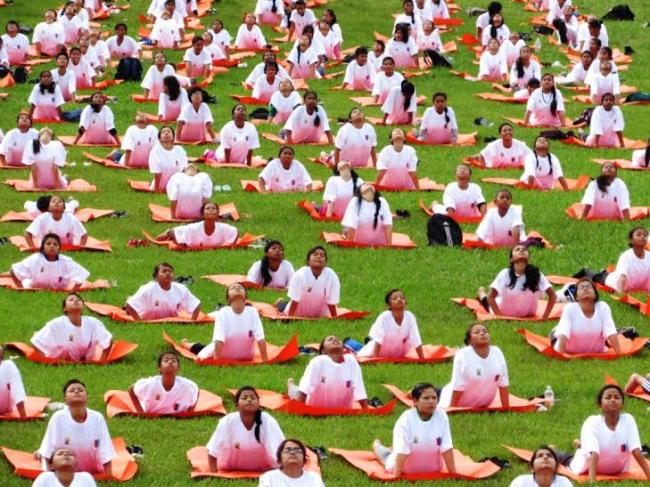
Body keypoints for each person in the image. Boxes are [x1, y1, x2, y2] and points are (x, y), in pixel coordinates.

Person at [569, 385, 650, 481]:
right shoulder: (592, 422)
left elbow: (636, 450)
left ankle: (580, 443)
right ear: (600, 404)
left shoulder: (628, 420)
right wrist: (592, 481)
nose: (613, 400)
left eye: (617, 397)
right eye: (608, 398)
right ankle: (576, 446)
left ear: (622, 404)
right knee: (565, 457)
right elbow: (593, 453)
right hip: (586, 465)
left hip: (618, 469)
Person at [373, 383, 455, 477]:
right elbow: (402, 450)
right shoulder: (406, 419)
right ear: (415, 401)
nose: (431, 401)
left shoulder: (442, 416)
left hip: (434, 468)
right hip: (405, 469)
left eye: (434, 398)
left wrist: (454, 473)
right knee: (386, 456)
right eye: (426, 398)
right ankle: (376, 445)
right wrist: (396, 476)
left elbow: (447, 447)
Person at [37, 379, 115, 475]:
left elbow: (106, 451)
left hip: (93, 468)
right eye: (72, 390)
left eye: (80, 390)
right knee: (45, 453)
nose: (77, 391)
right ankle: (38, 453)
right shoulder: (58, 418)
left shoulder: (97, 418)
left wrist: (109, 477)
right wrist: (46, 475)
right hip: (67, 469)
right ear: (65, 400)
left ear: (87, 398)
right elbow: (46, 452)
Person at [181, 283, 268, 362]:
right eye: (233, 288)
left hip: (246, 355)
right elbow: (219, 339)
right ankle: (185, 344)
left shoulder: (252, 312)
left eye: (240, 288)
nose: (237, 288)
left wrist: (266, 361)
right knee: (205, 349)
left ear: (245, 297)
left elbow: (261, 338)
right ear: (228, 299)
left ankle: (186, 344)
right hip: (224, 354)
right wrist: (216, 361)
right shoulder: (223, 312)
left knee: (207, 347)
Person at [207, 386, 285, 472]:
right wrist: (213, 474)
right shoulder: (228, 421)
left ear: (259, 404)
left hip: (264, 467)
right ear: (237, 405)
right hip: (229, 466)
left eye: (253, 398)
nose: (249, 400)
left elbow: (280, 448)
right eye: (244, 398)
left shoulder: (267, 420)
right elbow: (212, 450)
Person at [439, 323, 510, 408]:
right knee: (430, 394)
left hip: (483, 404)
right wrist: (452, 408)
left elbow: (503, 382)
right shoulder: (463, 354)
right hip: (456, 401)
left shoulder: (497, 352)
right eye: (477, 332)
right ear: (470, 341)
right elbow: (458, 384)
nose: (482, 333)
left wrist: (506, 408)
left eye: (485, 331)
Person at [479, 244, 557, 318]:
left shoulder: (536, 273)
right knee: (486, 302)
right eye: (517, 249)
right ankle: (481, 293)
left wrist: (545, 317)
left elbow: (553, 295)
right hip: (504, 312)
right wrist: (500, 317)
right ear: (511, 259)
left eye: (524, 249)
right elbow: (490, 297)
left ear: (529, 258)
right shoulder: (505, 273)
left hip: (529, 314)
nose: (521, 250)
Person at [291, 335, 368, 409]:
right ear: (323, 350)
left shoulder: (351, 361)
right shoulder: (318, 361)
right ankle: (290, 385)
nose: (335, 340)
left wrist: (366, 409)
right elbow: (306, 385)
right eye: (330, 339)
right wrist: (301, 409)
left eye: (338, 339)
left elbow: (359, 386)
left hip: (343, 407)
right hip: (315, 405)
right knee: (295, 392)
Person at [31, 293, 112, 361]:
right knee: (42, 336)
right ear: (65, 308)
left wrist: (102, 361)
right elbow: (36, 341)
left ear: (83, 307)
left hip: (85, 358)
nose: (75, 301)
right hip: (60, 358)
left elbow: (108, 340)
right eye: (71, 300)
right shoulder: (56, 324)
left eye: (78, 300)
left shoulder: (93, 322)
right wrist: (45, 361)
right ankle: (37, 332)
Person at [552, 279, 620, 355]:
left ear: (595, 294)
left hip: (597, 349)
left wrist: (619, 354)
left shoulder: (603, 307)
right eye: (581, 287)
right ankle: (555, 330)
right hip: (568, 348)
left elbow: (611, 332)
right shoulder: (570, 308)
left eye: (589, 287)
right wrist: (560, 355)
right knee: (558, 331)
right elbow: (563, 333)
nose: (585, 289)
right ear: (576, 297)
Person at [358, 289, 424, 359]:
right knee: (358, 349)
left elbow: (416, 338)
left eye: (402, 298)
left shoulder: (410, 317)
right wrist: (375, 359)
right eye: (394, 298)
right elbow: (378, 339)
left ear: (406, 302)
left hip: (398, 354)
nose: (399, 299)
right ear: (389, 304)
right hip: (378, 351)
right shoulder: (384, 317)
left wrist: (422, 358)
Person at [10, 234, 90, 290]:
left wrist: (72, 292)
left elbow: (81, 275)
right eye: (48, 244)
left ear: (59, 248)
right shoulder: (35, 259)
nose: (52, 246)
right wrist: (21, 289)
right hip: (34, 286)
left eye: (55, 244)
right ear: (42, 247)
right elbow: (14, 270)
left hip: (61, 288)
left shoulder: (66, 261)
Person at [127, 351, 198, 414]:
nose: (170, 362)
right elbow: (131, 389)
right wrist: (140, 413)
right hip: (151, 412)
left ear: (178, 368)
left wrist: (190, 413)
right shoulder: (151, 383)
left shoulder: (186, 385)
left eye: (173, 361)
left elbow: (196, 391)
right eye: (166, 361)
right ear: (159, 368)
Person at [125, 262, 202, 320]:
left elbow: (196, 304)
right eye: (164, 271)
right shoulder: (148, 289)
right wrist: (139, 321)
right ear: (156, 277)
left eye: (170, 271)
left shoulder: (180, 289)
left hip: (171, 316)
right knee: (129, 305)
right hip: (144, 313)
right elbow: (130, 305)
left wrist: (193, 321)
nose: (168, 273)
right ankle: (130, 297)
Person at [283, 246, 340, 318]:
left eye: (322, 255)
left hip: (320, 313)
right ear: (308, 261)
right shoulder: (301, 274)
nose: (319, 257)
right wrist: (290, 317)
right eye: (315, 254)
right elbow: (295, 298)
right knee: (282, 306)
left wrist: (335, 318)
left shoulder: (331, 275)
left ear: (325, 262)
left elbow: (331, 300)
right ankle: (281, 303)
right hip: (298, 311)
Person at [157, 202, 239, 248]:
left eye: (213, 209)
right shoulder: (194, 228)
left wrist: (230, 245)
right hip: (190, 234)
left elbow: (235, 231)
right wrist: (169, 233)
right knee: (177, 236)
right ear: (203, 215)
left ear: (217, 214)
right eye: (208, 209)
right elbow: (177, 231)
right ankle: (168, 232)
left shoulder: (223, 228)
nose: (211, 210)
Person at [258, 439, 324, 487]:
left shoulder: (313, 477)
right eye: (288, 450)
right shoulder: (269, 477)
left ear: (304, 460)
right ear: (280, 459)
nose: (293, 452)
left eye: (297, 450)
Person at [604, 227, 650, 293]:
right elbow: (622, 276)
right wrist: (620, 293)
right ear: (631, 240)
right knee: (599, 276)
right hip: (614, 282)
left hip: (635, 283)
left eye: (645, 235)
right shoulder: (626, 256)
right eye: (638, 235)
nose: (642, 236)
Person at [148, 126, 188, 192]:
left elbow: (184, 169)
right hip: (161, 184)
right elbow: (156, 171)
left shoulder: (180, 150)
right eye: (163, 132)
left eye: (169, 132)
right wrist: (156, 189)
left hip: (176, 185)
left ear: (173, 137)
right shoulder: (156, 150)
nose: (166, 133)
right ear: (160, 139)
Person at [509, 446, 574, 487]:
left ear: (556, 467)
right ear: (532, 468)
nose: (545, 457)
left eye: (550, 456)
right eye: (540, 456)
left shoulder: (564, 482)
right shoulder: (521, 482)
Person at [32, 448, 97, 487]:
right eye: (60, 454)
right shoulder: (45, 478)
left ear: (75, 464)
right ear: (51, 465)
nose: (66, 454)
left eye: (70, 454)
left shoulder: (86, 478)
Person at [0, 344, 27, 418]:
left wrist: (23, 416)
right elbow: (17, 391)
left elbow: (17, 391)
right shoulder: (9, 366)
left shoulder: (9, 366)